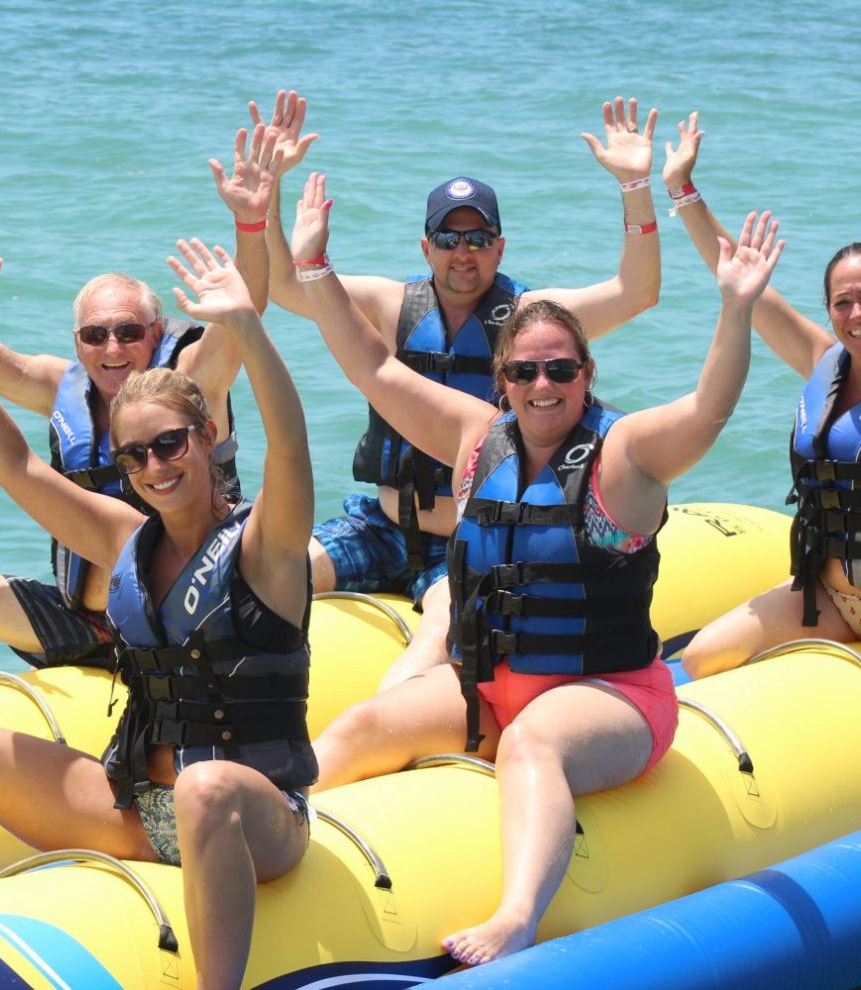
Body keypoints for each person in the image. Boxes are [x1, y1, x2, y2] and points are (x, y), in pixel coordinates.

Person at [287, 169, 783, 965]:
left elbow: (709, 410)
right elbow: (374, 372)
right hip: (492, 684)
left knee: (533, 746)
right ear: (503, 380)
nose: (542, 385)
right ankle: (273, 842)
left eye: (560, 369)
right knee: (366, 725)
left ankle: (518, 916)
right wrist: (312, 268)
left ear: (587, 375)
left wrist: (736, 307)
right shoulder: (478, 441)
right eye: (524, 371)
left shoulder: (624, 456)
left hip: (610, 695)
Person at [0, 237, 316, 990]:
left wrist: (248, 326)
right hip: (139, 809)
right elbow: (12, 464)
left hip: (255, 817)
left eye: (171, 444)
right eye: (135, 457)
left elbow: (290, 443)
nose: (157, 466)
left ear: (205, 438)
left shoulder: (265, 545)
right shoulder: (124, 540)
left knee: (206, 787)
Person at [252, 92, 662, 688]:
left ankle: (385, 726)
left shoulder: (531, 324)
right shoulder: (392, 304)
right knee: (273, 571)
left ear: (500, 246)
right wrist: (268, 196)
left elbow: (637, 290)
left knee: (441, 626)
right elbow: (289, 286)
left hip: (470, 542)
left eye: (478, 238)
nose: (463, 253)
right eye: (448, 239)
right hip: (381, 525)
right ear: (426, 248)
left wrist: (635, 186)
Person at [0, 129, 280, 704]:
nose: (112, 349)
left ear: (156, 334)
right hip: (83, 621)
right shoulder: (62, 386)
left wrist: (252, 225)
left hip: (176, 618)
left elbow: (244, 320)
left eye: (128, 332)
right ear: (78, 342)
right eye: (95, 335)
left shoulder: (191, 385)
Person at [668, 115, 861, 719]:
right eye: (843, 302)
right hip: (828, 594)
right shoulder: (824, 362)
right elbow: (737, 274)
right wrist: (683, 191)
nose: (858, 313)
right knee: (702, 658)